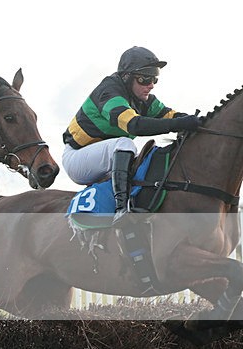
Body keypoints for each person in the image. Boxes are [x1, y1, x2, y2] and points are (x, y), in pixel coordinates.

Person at [62, 46, 200, 224]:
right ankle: (121, 209)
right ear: (126, 77)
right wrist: (179, 124)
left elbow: (170, 115)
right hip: (77, 158)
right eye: (145, 79)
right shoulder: (109, 91)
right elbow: (135, 125)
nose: (150, 85)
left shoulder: (143, 99)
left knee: (145, 161)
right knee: (125, 144)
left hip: (104, 157)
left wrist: (201, 121)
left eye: (154, 79)